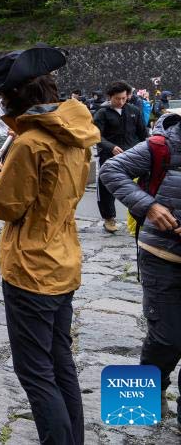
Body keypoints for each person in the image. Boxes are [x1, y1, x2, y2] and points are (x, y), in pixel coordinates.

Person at [0, 45, 96, 445]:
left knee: (35, 373)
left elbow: (8, 207)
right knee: (61, 364)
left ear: (14, 97)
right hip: (64, 261)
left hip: (30, 268)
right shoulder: (76, 134)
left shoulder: (30, 144)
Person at [101, 108, 181, 427]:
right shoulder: (162, 146)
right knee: (166, 338)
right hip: (161, 257)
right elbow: (111, 171)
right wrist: (148, 206)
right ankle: (147, 394)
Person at [93, 81, 148, 233]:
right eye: (118, 98)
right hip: (109, 156)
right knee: (105, 187)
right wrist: (110, 147)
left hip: (132, 155)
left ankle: (138, 218)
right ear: (110, 97)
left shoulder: (134, 111)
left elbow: (143, 133)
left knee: (137, 187)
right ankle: (109, 218)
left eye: (124, 98)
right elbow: (96, 135)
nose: (121, 102)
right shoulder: (102, 113)